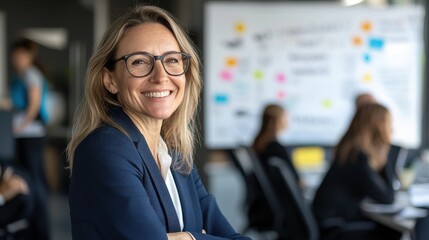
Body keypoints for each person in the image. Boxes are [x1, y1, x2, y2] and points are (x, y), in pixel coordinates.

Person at [67, 5, 251, 240]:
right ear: (110, 80)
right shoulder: (105, 149)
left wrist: (186, 238)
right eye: (139, 62)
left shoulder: (175, 154)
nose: (161, 76)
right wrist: (196, 236)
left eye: (172, 60)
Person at [312, 103, 401, 240]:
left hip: (327, 222)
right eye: (389, 124)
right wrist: (385, 155)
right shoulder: (358, 158)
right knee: (391, 231)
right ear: (379, 127)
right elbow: (387, 198)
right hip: (335, 228)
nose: (392, 129)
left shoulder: (348, 152)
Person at [9, 39, 50, 240]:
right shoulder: (20, 76)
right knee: (27, 181)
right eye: (14, 56)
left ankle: (40, 232)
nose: (16, 60)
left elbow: (33, 108)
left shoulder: (32, 75)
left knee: (35, 183)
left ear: (29, 56)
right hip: (23, 136)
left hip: (31, 136)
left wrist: (17, 126)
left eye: (20, 56)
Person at [247, 104, 303, 230]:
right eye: (285, 117)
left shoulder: (258, 144)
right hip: (282, 209)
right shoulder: (275, 149)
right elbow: (296, 181)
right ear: (278, 120)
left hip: (264, 206)